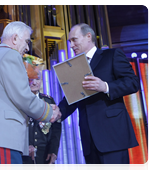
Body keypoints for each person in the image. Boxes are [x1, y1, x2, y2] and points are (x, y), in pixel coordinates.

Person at [0, 21, 61, 170]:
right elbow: (23, 96)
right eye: (26, 41)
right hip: (2, 137)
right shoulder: (9, 55)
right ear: (14, 38)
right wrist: (50, 113)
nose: (27, 47)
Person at [58, 23, 139, 170]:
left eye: (74, 40)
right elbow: (72, 97)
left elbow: (133, 82)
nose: (71, 45)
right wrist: (57, 112)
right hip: (89, 139)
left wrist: (105, 86)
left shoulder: (111, 55)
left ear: (88, 36)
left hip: (112, 136)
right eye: (70, 41)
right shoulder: (75, 66)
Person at [22, 71, 61, 170]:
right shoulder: (20, 101)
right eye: (31, 79)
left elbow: (56, 128)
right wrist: (25, 146)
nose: (34, 82)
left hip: (45, 153)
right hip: (25, 154)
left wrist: (53, 150)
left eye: (38, 79)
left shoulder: (48, 101)